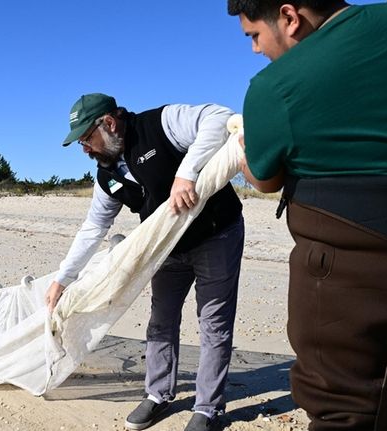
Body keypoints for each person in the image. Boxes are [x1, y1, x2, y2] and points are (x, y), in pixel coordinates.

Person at [227, 1, 387, 429]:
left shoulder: (276, 85)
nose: (254, 49)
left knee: (340, 405)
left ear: (289, 17)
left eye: (254, 35)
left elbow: (267, 180)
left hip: (347, 260)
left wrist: (243, 152)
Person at [46, 93, 244, 431]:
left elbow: (219, 116)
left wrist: (188, 172)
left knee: (213, 322)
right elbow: (94, 227)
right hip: (166, 248)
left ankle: (208, 409)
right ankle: (158, 395)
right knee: (161, 322)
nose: (85, 149)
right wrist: (63, 279)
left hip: (216, 235)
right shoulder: (106, 175)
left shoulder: (160, 124)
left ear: (108, 123)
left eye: (86, 139)